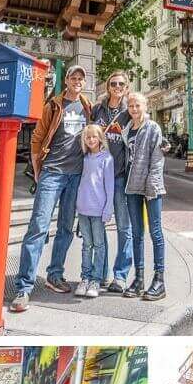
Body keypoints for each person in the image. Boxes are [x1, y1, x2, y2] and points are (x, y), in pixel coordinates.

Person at [10, 65, 92, 313]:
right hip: (53, 172)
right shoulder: (54, 105)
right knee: (38, 227)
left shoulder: (88, 107)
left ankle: (55, 274)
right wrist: (38, 171)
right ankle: (24, 286)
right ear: (65, 80)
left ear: (84, 82)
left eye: (80, 78)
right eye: (73, 77)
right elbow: (37, 138)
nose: (77, 81)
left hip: (76, 175)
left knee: (66, 228)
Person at [91, 71, 133, 293]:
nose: (118, 86)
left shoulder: (130, 111)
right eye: (114, 83)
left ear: (127, 87)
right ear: (108, 86)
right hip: (98, 179)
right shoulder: (97, 109)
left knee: (124, 227)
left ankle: (121, 276)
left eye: (122, 84)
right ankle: (101, 274)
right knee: (100, 227)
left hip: (119, 177)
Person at [122, 92, 167, 301]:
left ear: (145, 106)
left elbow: (157, 161)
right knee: (137, 233)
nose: (134, 109)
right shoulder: (126, 129)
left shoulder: (153, 128)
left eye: (137, 105)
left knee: (155, 232)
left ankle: (159, 280)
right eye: (130, 105)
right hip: (131, 187)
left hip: (150, 188)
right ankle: (138, 278)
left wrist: (152, 188)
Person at [75, 124, 114, 299]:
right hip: (83, 209)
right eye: (88, 137)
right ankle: (85, 278)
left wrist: (108, 209)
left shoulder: (106, 159)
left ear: (100, 138)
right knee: (86, 245)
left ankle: (96, 280)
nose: (91, 140)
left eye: (94, 137)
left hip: (99, 210)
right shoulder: (84, 159)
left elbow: (110, 187)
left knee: (99, 246)